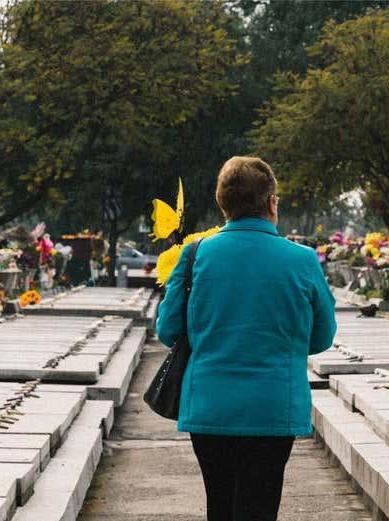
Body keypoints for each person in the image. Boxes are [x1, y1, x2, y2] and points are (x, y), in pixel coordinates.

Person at [156, 156, 337, 521]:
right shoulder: (302, 260)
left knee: (219, 505)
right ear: (271, 202)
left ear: (223, 204)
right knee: (260, 506)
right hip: (273, 407)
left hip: (209, 406)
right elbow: (322, 336)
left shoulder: (194, 256)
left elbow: (168, 330)